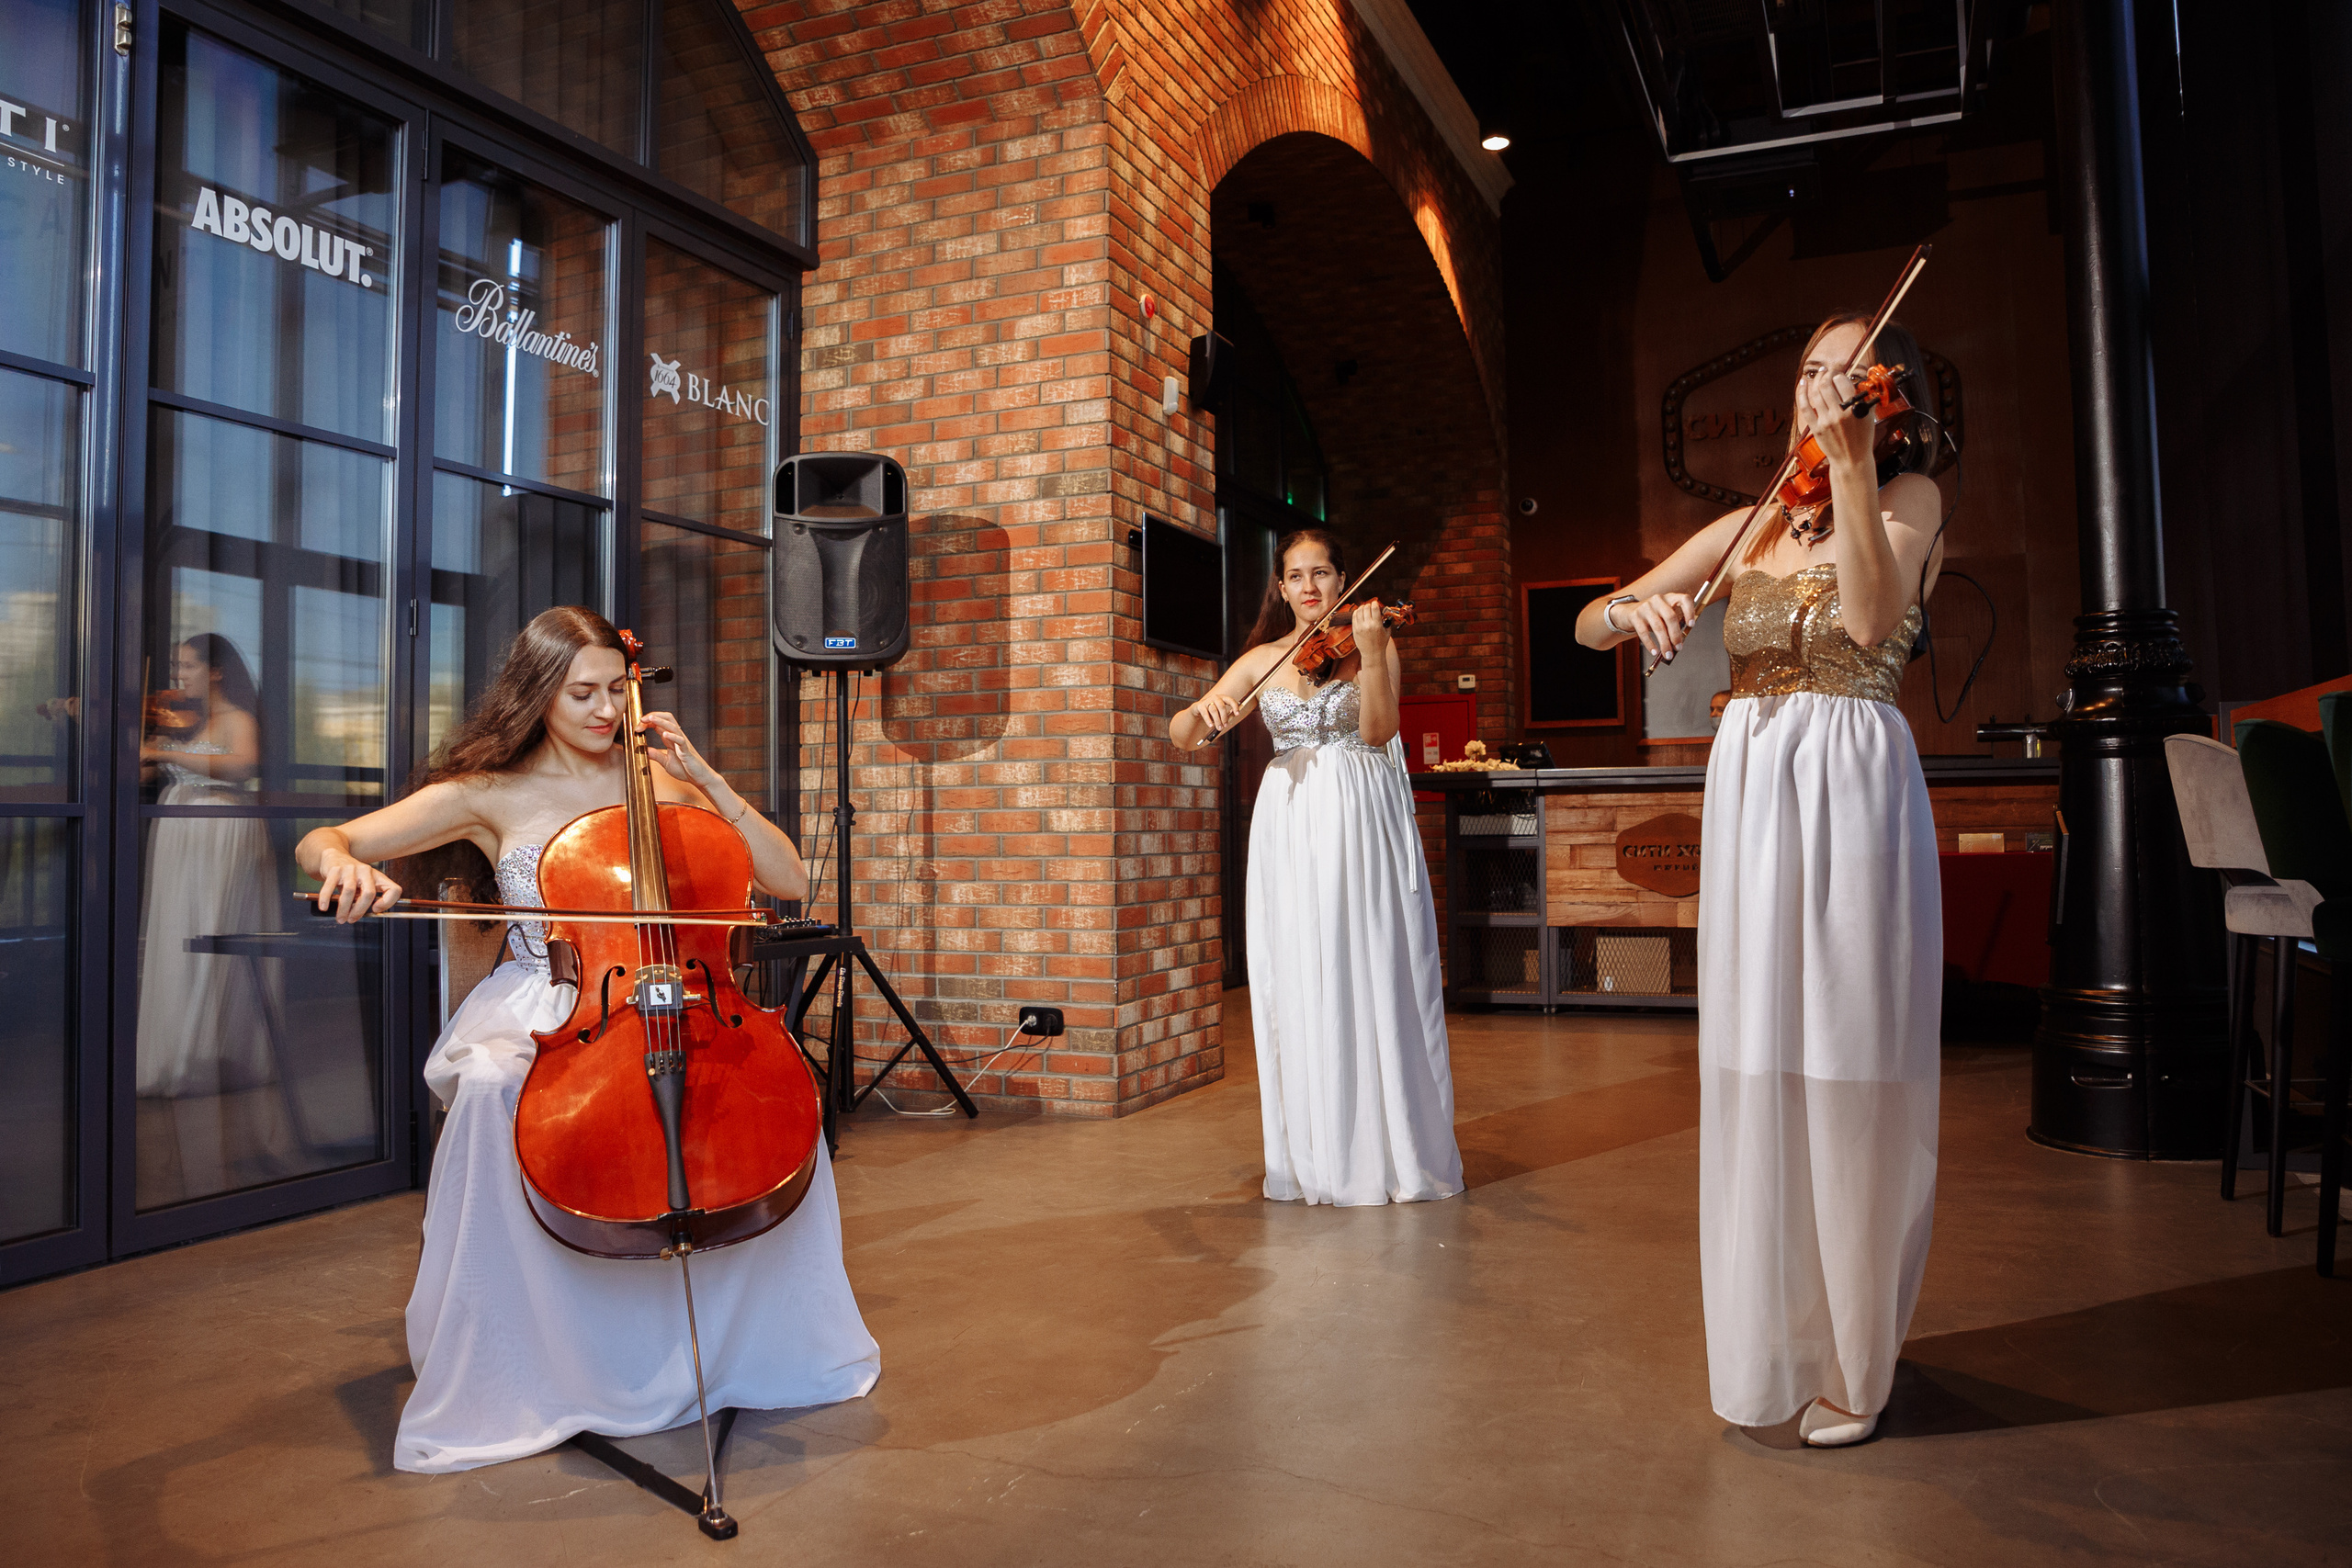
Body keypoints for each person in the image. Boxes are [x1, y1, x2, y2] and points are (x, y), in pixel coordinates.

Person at [297, 606, 877, 1473]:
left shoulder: (663, 780)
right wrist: (341, 862)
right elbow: (327, 838)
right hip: (556, 1001)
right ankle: (535, 1358)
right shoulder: (489, 792)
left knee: (769, 1091)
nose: (607, 710)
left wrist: (708, 778)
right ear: (538, 693)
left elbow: (788, 878)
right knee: (494, 1087)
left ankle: (742, 1343)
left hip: (678, 996)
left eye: (617, 688)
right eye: (583, 693)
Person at [1577, 314, 1946, 1448]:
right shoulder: (1750, 524)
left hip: (1849, 790)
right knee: (1756, 1065)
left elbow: (1873, 622)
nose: (1822, 389)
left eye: (1848, 373)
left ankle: (1859, 1362)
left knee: (1847, 1064)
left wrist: (1850, 470)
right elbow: (1589, 626)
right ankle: (1773, 1343)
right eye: (1808, 372)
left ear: (1885, 394)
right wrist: (1630, 609)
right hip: (1750, 798)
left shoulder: (1907, 499)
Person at [1172, 530, 1463, 1207]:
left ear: (1342, 580)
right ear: (1281, 587)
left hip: (1358, 813)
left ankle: (1386, 1148)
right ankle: (1317, 1154)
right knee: (1300, 966)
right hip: (1290, 821)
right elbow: (1183, 734)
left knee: (1366, 959)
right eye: (1296, 576)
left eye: (1323, 573)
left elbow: (1378, 732)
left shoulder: (1372, 643)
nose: (1310, 586)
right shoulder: (1263, 659)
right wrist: (1200, 711)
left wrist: (1371, 652)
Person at [135, 634, 292, 1205]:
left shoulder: (237, 719)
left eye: (187, 664)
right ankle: (179, 1049)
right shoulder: (192, 721)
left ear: (216, 671)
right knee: (177, 934)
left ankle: (205, 1051)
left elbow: (242, 765)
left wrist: (166, 752)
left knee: (211, 932)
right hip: (186, 836)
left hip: (218, 836)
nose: (179, 674)